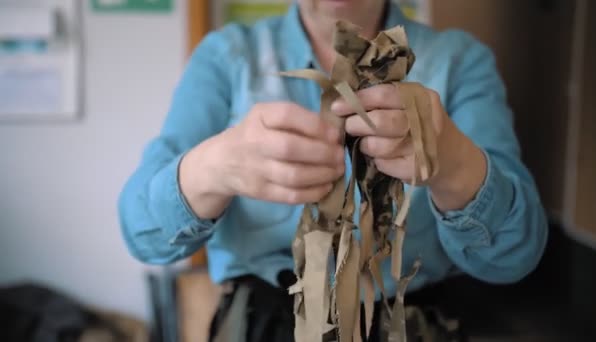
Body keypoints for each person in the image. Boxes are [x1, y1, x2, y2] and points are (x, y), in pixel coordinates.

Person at [118, 0, 548, 340]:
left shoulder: (460, 61)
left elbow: (516, 255)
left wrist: (452, 162)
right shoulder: (226, 56)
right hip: (261, 326)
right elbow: (143, 232)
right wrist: (213, 167)